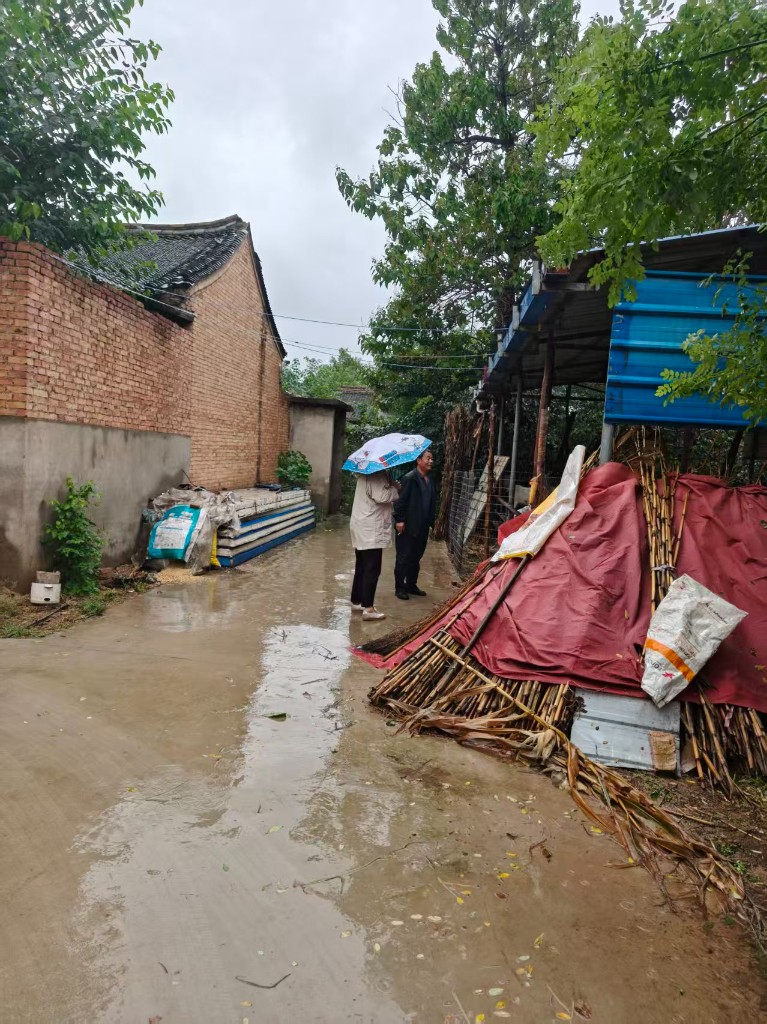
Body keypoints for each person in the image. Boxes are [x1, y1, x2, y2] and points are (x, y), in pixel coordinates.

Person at [349, 470, 399, 621]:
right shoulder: (376, 475)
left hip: (362, 525)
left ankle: (357, 601)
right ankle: (368, 609)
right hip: (371, 528)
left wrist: (389, 484)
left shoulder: (365, 473)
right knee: (372, 568)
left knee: (362, 565)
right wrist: (395, 488)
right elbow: (382, 496)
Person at [393, 448, 436, 600]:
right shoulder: (410, 478)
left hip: (422, 525)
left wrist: (431, 522)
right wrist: (399, 520)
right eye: (428, 458)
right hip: (408, 524)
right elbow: (399, 502)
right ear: (418, 461)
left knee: (416, 556)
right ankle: (400, 587)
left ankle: (411, 584)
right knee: (404, 556)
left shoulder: (429, 480)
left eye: (431, 458)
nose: (431, 461)